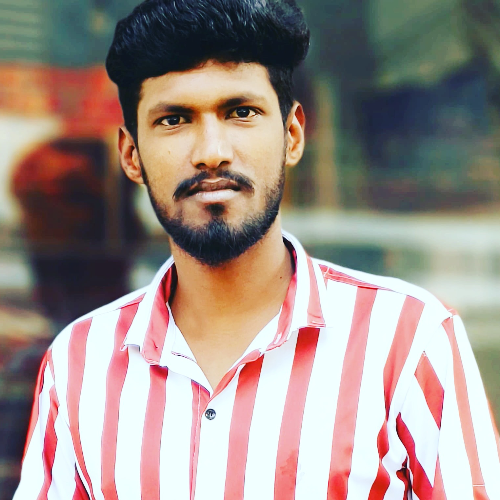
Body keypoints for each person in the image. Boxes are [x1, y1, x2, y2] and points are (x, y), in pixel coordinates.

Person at [14, 0, 500, 498]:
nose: (211, 152)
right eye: (174, 119)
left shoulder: (407, 339)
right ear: (131, 154)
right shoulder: (79, 363)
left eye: (241, 112)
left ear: (292, 135)